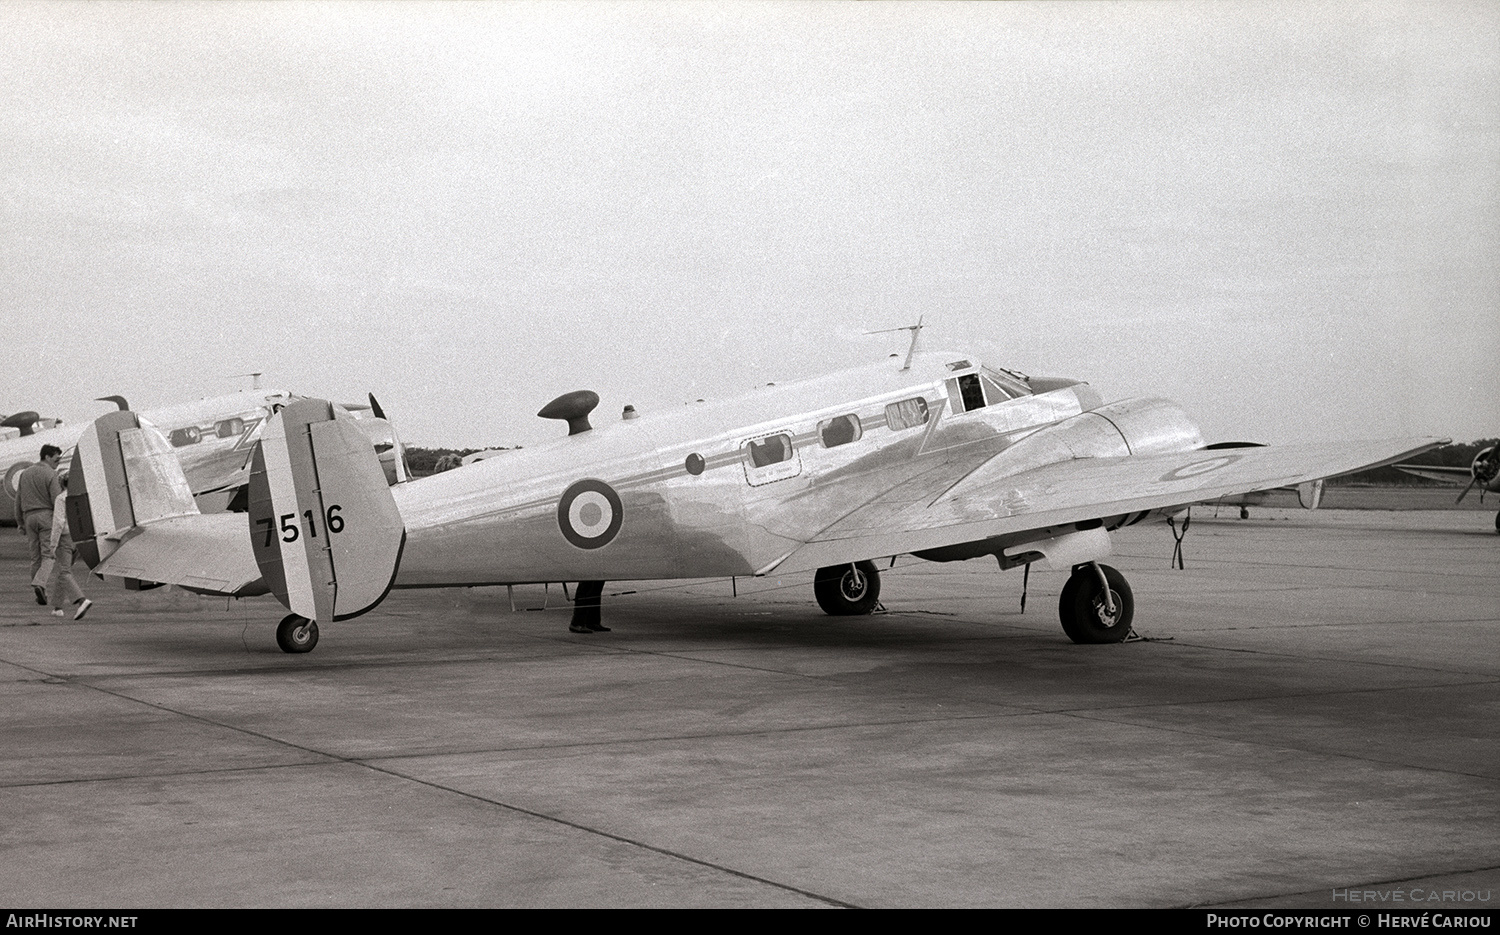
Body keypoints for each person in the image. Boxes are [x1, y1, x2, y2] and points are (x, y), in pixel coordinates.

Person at [14, 444, 63, 606]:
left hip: (29, 518)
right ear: (47, 457)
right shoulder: (52, 474)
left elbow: (18, 500)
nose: (58, 462)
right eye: (56, 459)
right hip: (46, 516)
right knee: (49, 554)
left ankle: (41, 594)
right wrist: (61, 523)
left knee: (35, 558)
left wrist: (20, 522)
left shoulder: (25, 474)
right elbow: (57, 500)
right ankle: (40, 584)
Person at [39, 473, 91, 620]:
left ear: (61, 483)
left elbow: (59, 523)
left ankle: (81, 600)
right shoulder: (80, 498)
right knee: (63, 572)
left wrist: (53, 544)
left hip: (65, 538)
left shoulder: (61, 498)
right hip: (79, 538)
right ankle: (57, 607)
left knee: (65, 571)